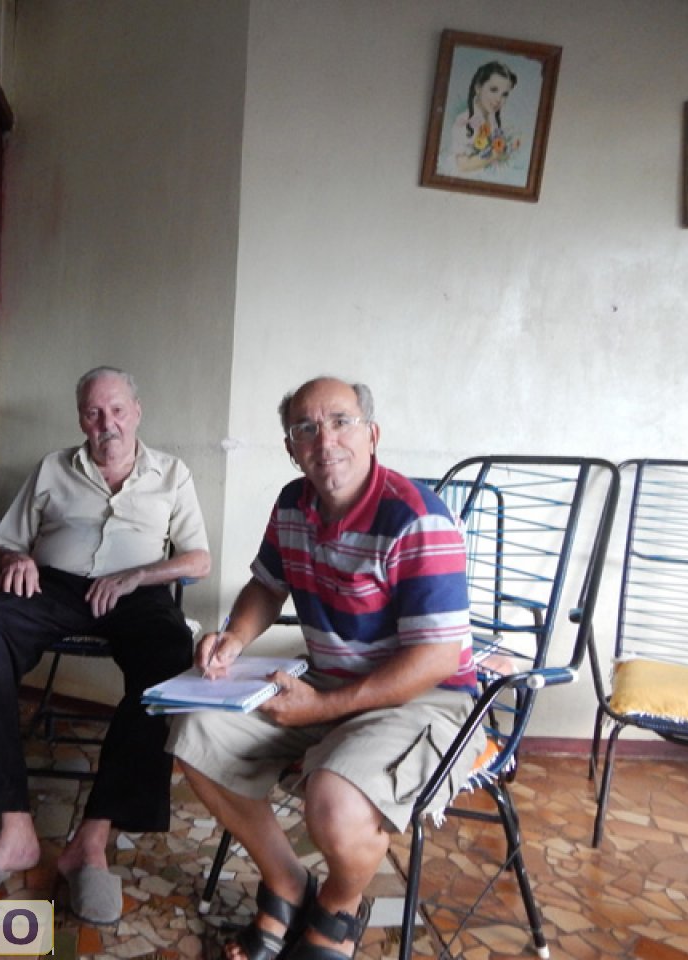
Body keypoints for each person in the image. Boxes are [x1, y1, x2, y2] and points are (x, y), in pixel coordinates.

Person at [167, 377, 482, 960]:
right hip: (328, 683)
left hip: (427, 699)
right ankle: (287, 882)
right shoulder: (293, 503)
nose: (325, 440)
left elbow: (436, 659)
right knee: (193, 731)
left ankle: (337, 910)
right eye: (306, 428)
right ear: (291, 447)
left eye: (341, 421)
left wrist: (323, 707)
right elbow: (267, 584)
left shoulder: (416, 517)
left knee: (333, 802)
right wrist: (235, 637)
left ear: (372, 434)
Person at [0, 366, 210, 925]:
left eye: (116, 410)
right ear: (81, 418)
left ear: (136, 412)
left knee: (169, 660)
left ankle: (91, 841)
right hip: (55, 585)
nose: (106, 423)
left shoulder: (172, 473)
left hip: (137, 590)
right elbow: (6, 544)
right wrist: (13, 559)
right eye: (93, 412)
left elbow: (197, 559)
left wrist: (139, 576)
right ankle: (13, 830)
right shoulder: (52, 468)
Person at [449, 61, 520, 177]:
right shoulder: (465, 121)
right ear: (478, 88)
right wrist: (495, 154)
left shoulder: (493, 121)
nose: (498, 99)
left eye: (504, 94)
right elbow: (462, 165)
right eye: (493, 90)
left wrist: (507, 150)